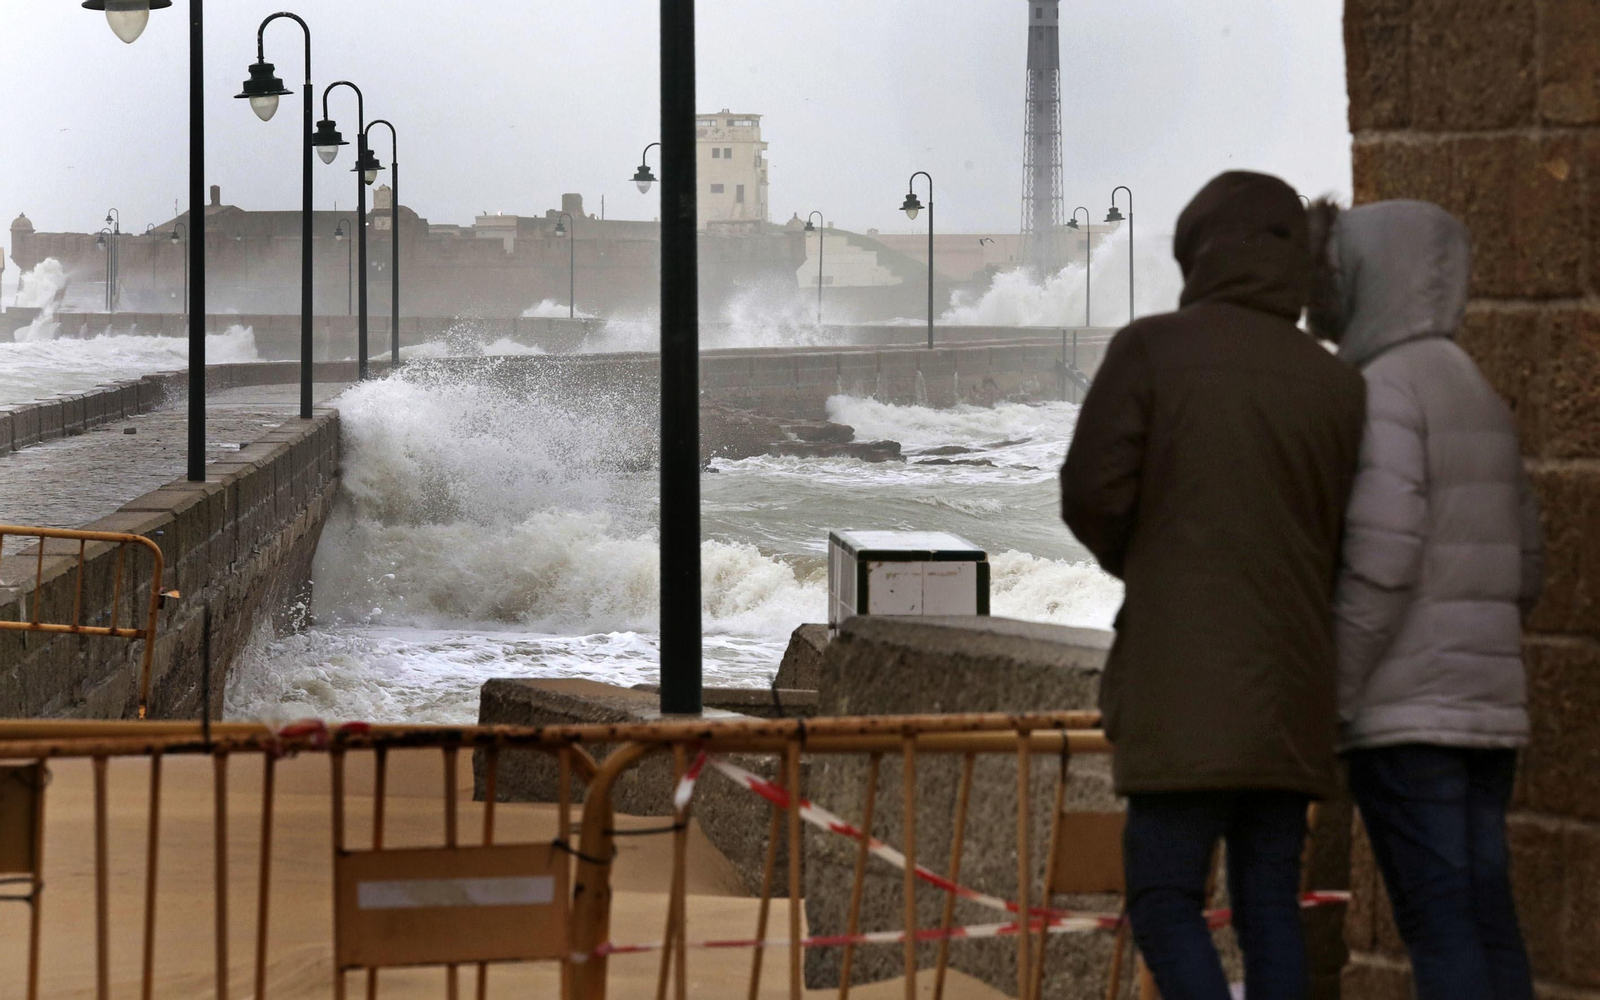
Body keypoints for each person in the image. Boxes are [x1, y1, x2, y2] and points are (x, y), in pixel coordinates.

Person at [1060, 171, 1366, 1000]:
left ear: (1199, 249)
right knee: (1269, 904)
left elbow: (1090, 492)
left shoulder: (1152, 351)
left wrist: (1151, 565)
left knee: (1164, 901)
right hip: (1293, 687)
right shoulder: (1338, 383)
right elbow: (1347, 533)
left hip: (1180, 685)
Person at [1307, 198, 1543, 1000]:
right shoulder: (1476, 389)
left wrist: (1334, 691)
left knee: (1438, 928)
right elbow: (1529, 564)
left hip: (1406, 718)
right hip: (1488, 712)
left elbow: (1380, 556)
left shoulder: (1382, 391)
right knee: (1488, 915)